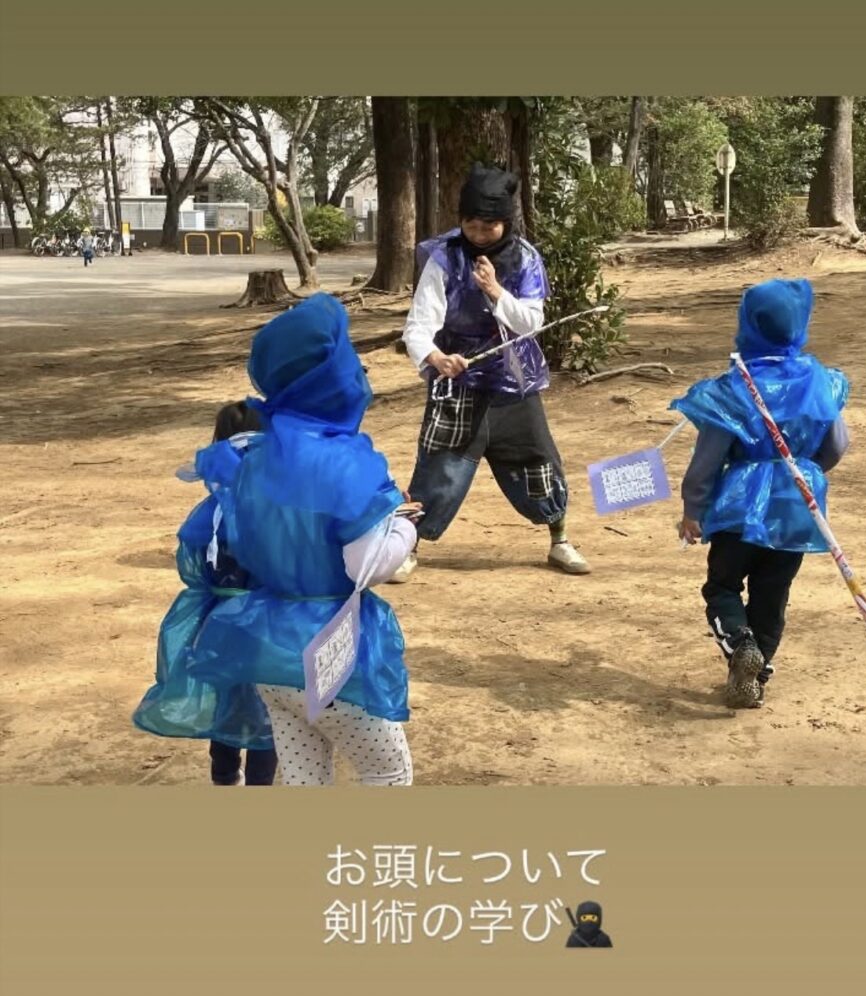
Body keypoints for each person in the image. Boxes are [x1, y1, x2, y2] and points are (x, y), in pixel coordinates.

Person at [182, 293, 418, 786]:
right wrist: (404, 527)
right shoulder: (346, 461)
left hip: (270, 652)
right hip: (331, 651)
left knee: (304, 777)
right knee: (386, 770)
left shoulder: (252, 458)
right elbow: (366, 565)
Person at [392, 162, 590, 582]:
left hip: (513, 381)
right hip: (457, 381)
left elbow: (531, 323)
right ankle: (408, 545)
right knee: (438, 466)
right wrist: (436, 358)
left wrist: (495, 290)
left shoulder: (526, 259)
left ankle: (559, 538)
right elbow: (418, 326)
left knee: (539, 460)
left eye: (489, 227)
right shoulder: (444, 258)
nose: (479, 235)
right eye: (471, 225)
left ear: (507, 222)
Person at [670, 278, 850, 709]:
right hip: (796, 508)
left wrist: (693, 509)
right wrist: (803, 472)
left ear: (746, 324)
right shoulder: (820, 382)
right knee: (773, 593)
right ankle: (757, 673)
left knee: (722, 586)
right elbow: (836, 446)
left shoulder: (734, 388)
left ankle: (739, 644)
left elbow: (708, 458)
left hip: (739, 507)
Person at [133, 401, 278, 786]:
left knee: (226, 697)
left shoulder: (210, 513)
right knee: (269, 707)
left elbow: (193, 568)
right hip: (271, 623)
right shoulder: (279, 510)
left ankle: (224, 777)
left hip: (217, 620)